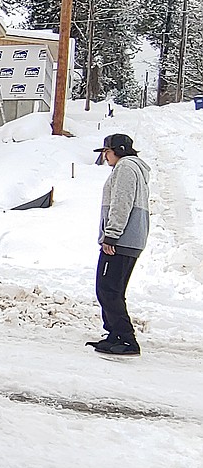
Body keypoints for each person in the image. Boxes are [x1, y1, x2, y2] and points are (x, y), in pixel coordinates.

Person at [86, 133, 150, 356]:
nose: (105, 156)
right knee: (112, 289)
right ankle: (114, 334)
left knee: (108, 289)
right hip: (129, 239)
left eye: (107, 151)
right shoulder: (133, 169)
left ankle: (127, 339)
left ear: (118, 150)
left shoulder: (125, 168)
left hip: (121, 240)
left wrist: (111, 236)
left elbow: (121, 203)